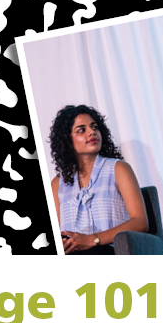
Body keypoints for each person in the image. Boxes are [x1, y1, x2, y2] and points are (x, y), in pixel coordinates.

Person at [49, 104, 148, 255]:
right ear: (67, 141)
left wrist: (91, 239)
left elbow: (140, 222)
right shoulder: (57, 184)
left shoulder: (119, 169)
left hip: (110, 251)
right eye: (81, 130)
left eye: (94, 127)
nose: (92, 132)